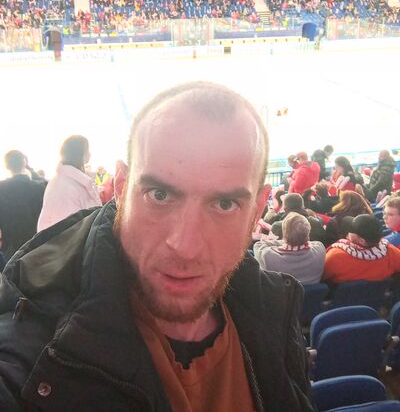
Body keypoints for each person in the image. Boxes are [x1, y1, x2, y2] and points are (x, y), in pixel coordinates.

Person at [0, 82, 313, 411]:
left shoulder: (274, 315)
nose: (185, 247)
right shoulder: (32, 359)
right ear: (121, 188)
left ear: (258, 210)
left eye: (224, 204)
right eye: (159, 195)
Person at [37, 135, 101, 231]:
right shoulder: (64, 187)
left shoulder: (78, 181)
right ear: (80, 154)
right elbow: (68, 232)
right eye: (87, 150)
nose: (90, 154)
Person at [323, 214, 400, 283]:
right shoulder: (391, 252)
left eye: (351, 230)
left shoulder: (335, 256)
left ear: (362, 241)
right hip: (380, 294)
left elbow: (320, 280)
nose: (348, 231)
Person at [254, 212, 325, 284]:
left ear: (284, 234)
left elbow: (258, 244)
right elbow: (312, 243)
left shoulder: (267, 255)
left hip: (279, 291)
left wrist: (286, 241)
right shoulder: (320, 249)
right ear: (308, 232)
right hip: (311, 291)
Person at [0, 150, 46, 262]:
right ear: (24, 163)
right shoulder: (37, 187)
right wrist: (30, 168)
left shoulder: (1, 188)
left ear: (6, 166)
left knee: (12, 270)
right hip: (33, 240)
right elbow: (45, 183)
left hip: (10, 242)